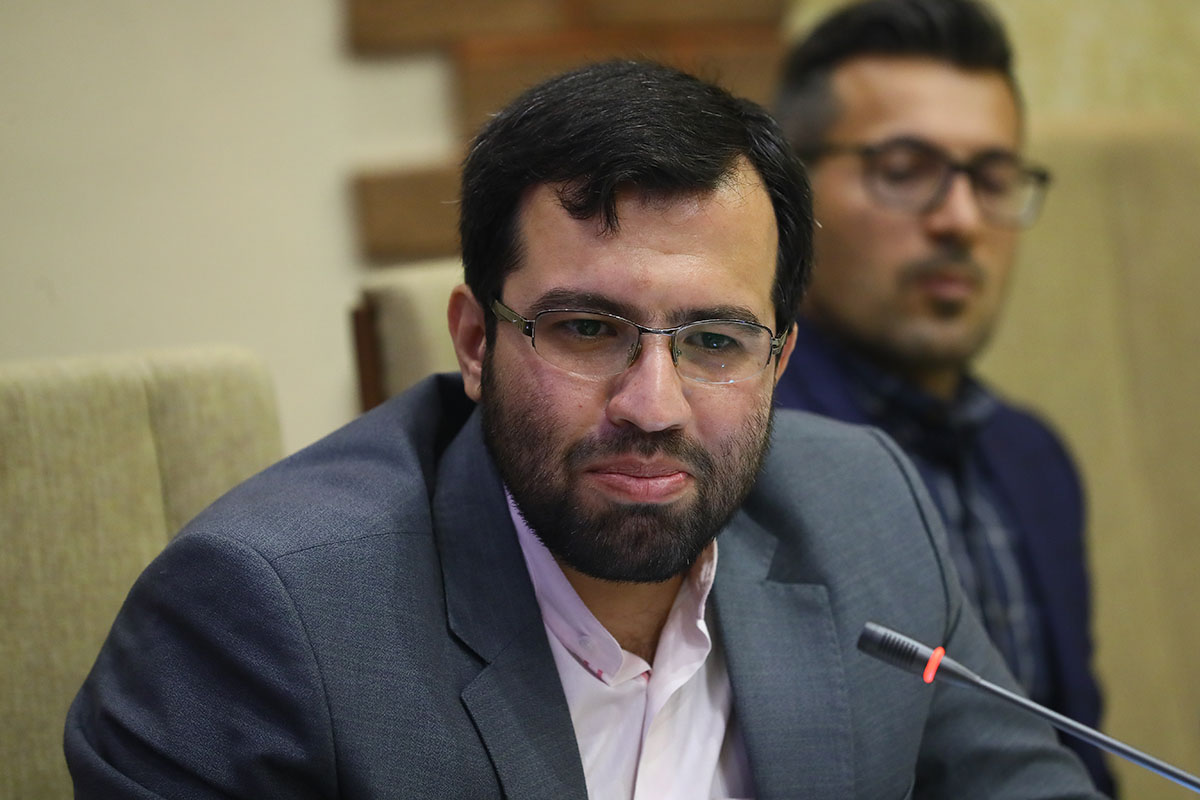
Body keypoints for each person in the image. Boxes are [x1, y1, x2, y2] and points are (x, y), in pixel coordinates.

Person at [65, 60, 1103, 799]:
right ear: (476, 341)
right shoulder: (262, 620)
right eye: (589, 329)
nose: (653, 404)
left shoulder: (867, 512)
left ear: (779, 361)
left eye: (714, 340)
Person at [772, 0, 1112, 794]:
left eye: (992, 178)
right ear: (790, 199)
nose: (960, 220)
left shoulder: (1034, 459)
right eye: (904, 170)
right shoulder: (745, 456)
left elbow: (1078, 757)